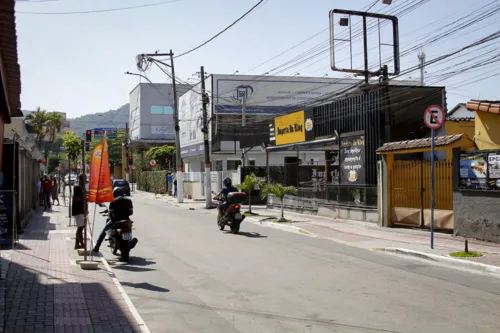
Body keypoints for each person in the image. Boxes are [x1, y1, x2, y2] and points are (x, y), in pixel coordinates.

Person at [92, 187, 135, 253]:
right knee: (129, 228)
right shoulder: (129, 200)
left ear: (114, 194)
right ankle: (129, 242)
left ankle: (97, 246)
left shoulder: (113, 201)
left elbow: (110, 214)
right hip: (126, 220)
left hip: (116, 220)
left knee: (104, 230)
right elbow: (131, 212)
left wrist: (112, 217)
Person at [72, 185, 85, 249]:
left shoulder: (76, 197)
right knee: (80, 229)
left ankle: (79, 244)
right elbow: (82, 201)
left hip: (78, 214)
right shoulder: (77, 197)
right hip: (79, 214)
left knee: (80, 228)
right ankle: (78, 244)